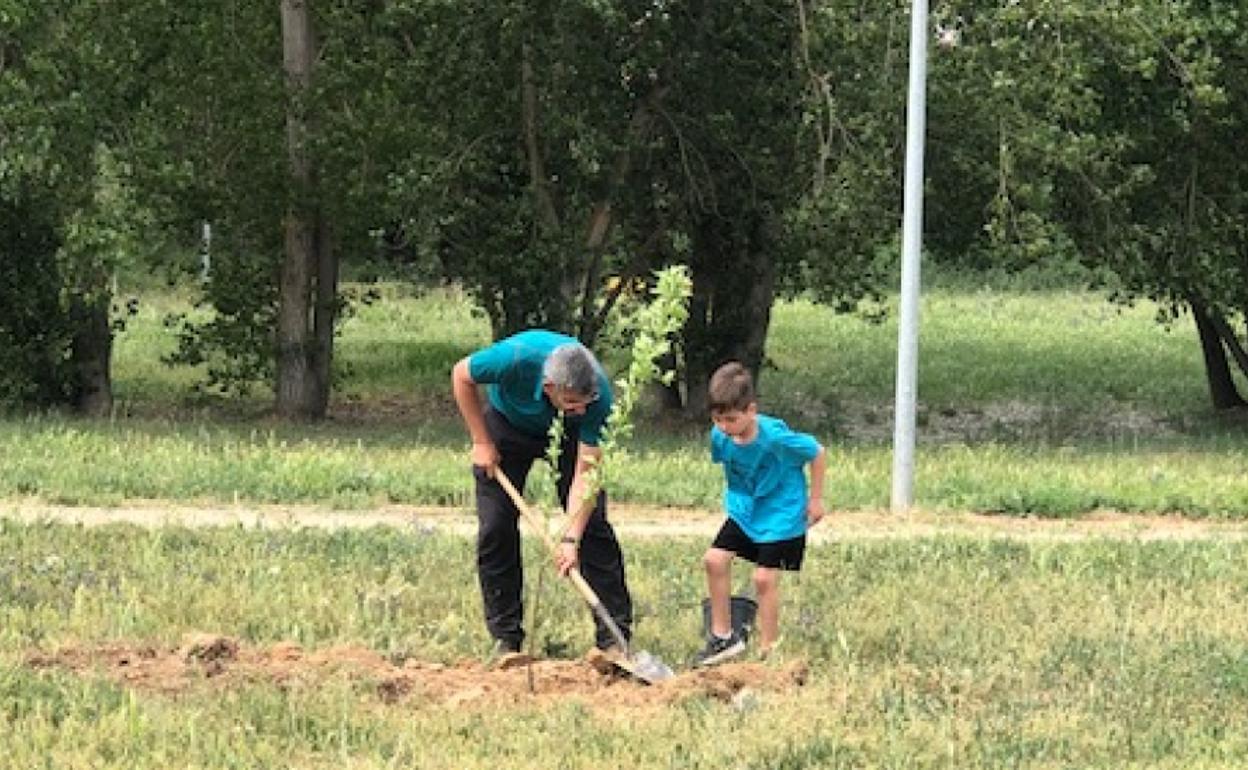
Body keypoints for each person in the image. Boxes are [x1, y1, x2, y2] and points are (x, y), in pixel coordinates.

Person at [450, 330, 633, 664]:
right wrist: (481, 441)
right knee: (496, 528)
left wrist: (570, 538)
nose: (581, 408)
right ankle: (506, 642)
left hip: (569, 438)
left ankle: (614, 643)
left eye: (586, 403)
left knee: (592, 527)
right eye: (573, 403)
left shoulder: (598, 398)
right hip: (506, 425)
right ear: (550, 388)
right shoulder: (514, 358)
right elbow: (461, 375)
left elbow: (587, 473)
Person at [694, 361, 827, 666]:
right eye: (717, 420)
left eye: (731, 419)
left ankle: (769, 651)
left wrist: (816, 500)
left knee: (764, 578)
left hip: (781, 510)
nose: (725, 427)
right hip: (746, 509)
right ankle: (722, 637)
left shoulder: (776, 439)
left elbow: (817, 452)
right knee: (714, 560)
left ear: (751, 410)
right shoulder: (719, 437)